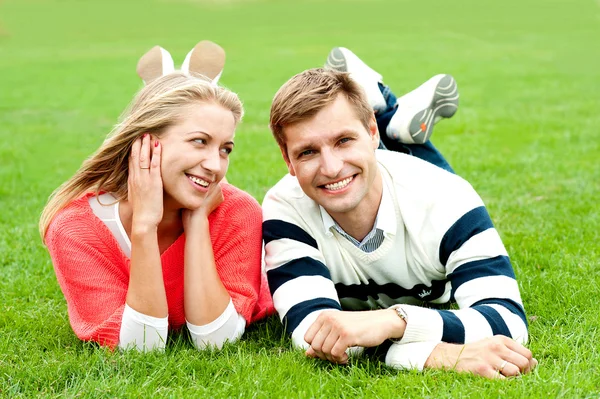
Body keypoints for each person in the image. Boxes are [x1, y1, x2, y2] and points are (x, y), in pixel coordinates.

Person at [262, 47, 537, 379]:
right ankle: (388, 106)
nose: (331, 167)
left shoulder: (446, 195)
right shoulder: (285, 207)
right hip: (396, 184)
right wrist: (438, 354)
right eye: (307, 151)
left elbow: (508, 321)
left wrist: (393, 321)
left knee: (412, 184)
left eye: (344, 140)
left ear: (371, 133)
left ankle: (385, 106)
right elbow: (312, 334)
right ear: (287, 160)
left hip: (412, 184)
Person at [40, 47, 273, 351]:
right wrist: (144, 226)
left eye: (225, 149)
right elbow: (142, 346)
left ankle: (174, 85)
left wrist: (198, 220)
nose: (216, 166)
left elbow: (216, 340)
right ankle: (172, 85)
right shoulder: (75, 229)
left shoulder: (238, 210)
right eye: (199, 141)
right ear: (146, 143)